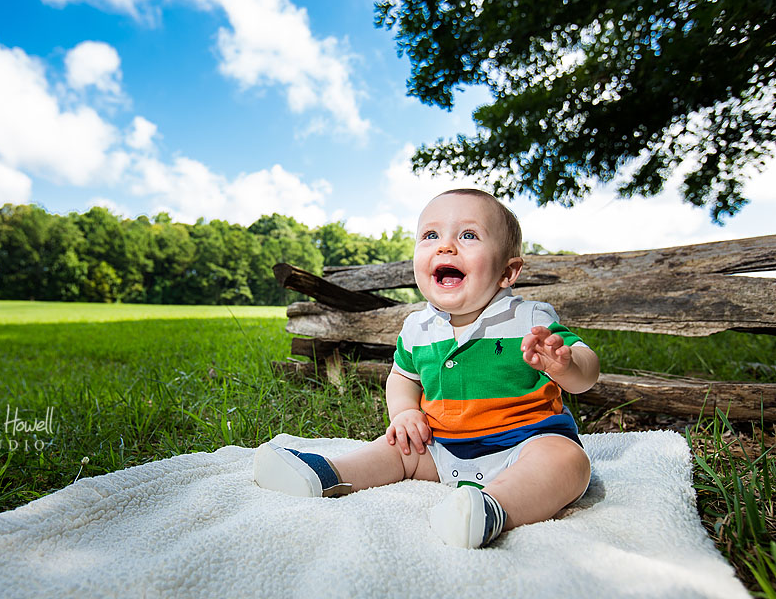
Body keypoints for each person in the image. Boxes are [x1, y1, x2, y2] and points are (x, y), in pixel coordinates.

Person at [253, 189, 599, 549]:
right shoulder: (418, 328)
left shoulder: (528, 319)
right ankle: (326, 474)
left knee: (567, 462)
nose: (445, 247)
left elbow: (587, 374)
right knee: (397, 448)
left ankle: (492, 509)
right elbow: (402, 377)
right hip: (442, 449)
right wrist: (403, 413)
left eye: (468, 235)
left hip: (524, 447)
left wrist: (566, 363)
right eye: (431, 235)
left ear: (507, 272)